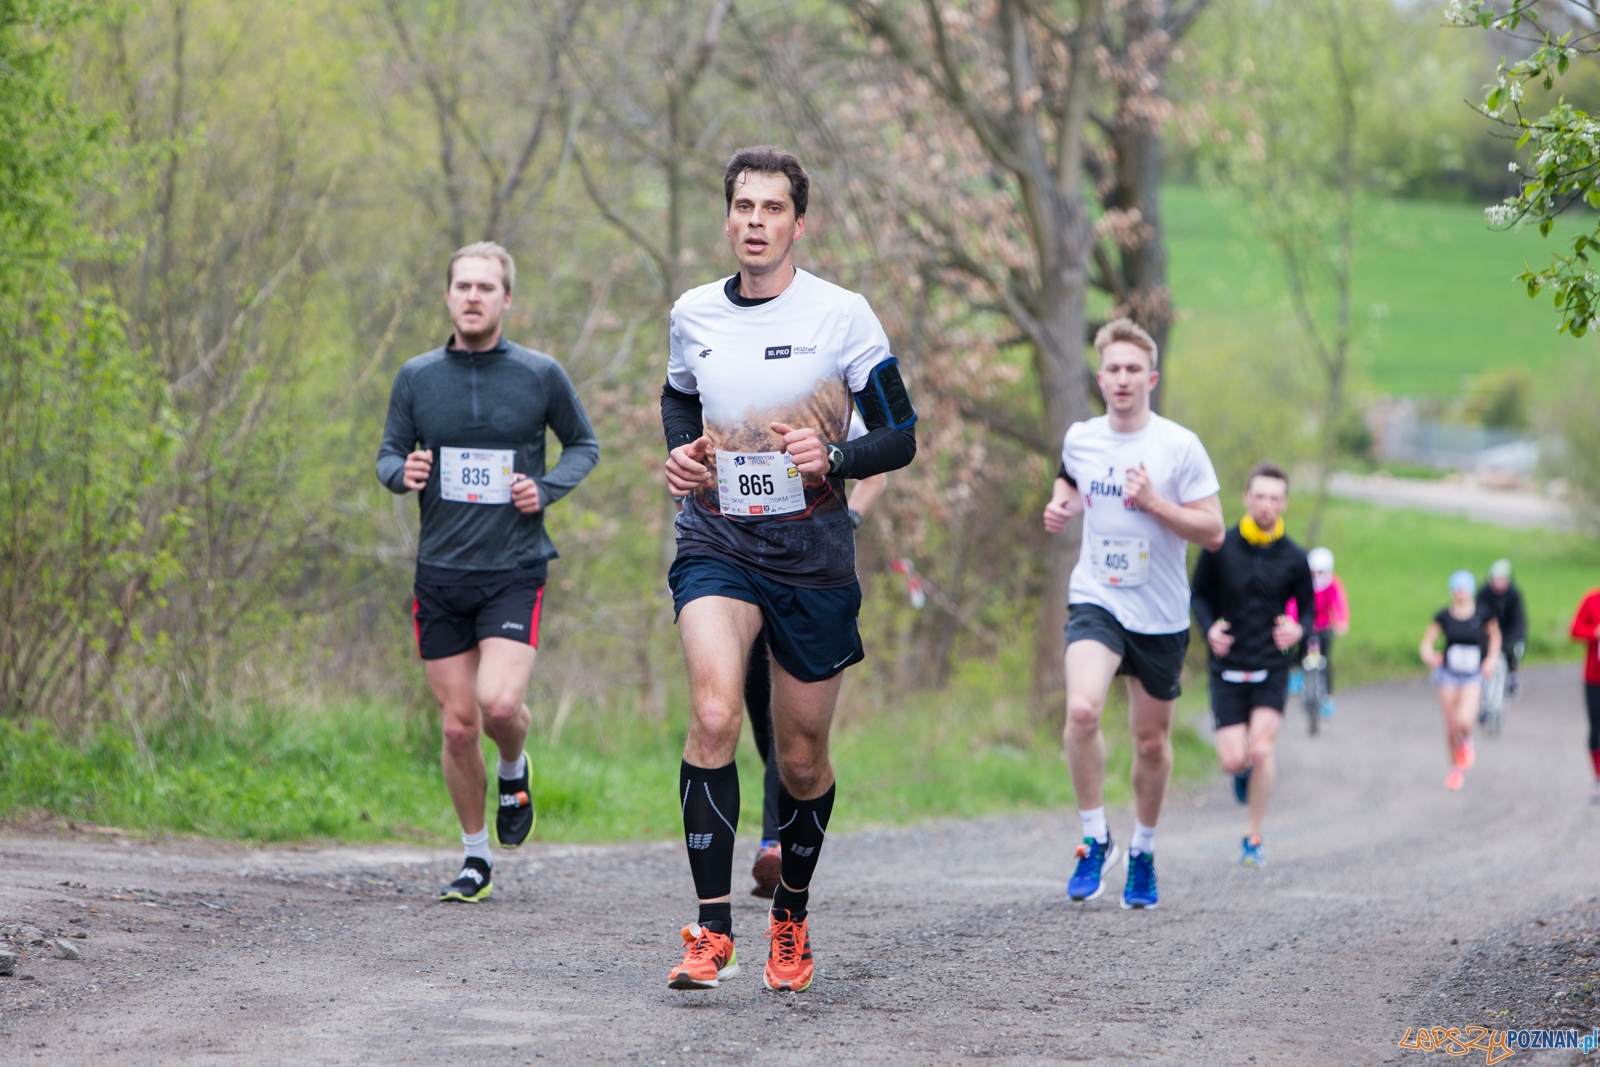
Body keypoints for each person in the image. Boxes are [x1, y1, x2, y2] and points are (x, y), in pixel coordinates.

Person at [658, 147, 917, 992]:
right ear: (727, 218)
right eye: (743, 207)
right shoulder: (693, 312)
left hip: (811, 551)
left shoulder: (842, 316)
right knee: (712, 710)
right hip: (717, 538)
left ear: (798, 223)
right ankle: (710, 928)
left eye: (773, 208)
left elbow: (900, 433)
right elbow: (677, 395)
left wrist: (835, 453)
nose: (756, 222)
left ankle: (791, 915)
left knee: (802, 759)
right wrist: (681, 452)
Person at [376, 242, 600, 903]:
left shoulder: (539, 374)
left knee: (500, 703)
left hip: (513, 566)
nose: (473, 296)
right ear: (448, 297)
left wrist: (548, 487)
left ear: (507, 300)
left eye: (486, 287)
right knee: (455, 724)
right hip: (440, 572)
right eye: (462, 286)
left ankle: (514, 764)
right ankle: (475, 858)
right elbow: (389, 455)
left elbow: (584, 444)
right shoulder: (417, 377)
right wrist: (402, 473)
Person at [1042, 319, 1224, 909]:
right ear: (1100, 378)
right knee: (1082, 708)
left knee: (1150, 743)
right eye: (1112, 370)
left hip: (1162, 611)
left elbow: (1214, 530)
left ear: (1151, 377)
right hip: (1098, 595)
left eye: (1131, 370)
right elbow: (1071, 476)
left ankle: (1143, 851)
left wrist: (1154, 504)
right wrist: (1061, 503)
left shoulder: (1179, 446)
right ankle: (1096, 838)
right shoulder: (1082, 438)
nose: (1122, 380)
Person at [748, 416, 886, 898]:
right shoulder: (738, 385)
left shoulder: (832, 388)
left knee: (782, 711)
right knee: (758, 710)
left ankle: (775, 843)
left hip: (809, 565)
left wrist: (849, 517)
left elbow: (876, 469)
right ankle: (787, 813)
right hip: (739, 558)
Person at [1190, 463, 1314, 868]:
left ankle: (1253, 837)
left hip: (1270, 666)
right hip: (1227, 667)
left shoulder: (1296, 557)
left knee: (1261, 750)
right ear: (1246, 498)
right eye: (1259, 496)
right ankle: (1241, 774)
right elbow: (1199, 597)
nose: (1266, 505)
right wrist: (1210, 631)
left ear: (1285, 503)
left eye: (1275, 498)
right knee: (1232, 760)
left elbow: (1310, 614)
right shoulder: (1219, 546)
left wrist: (1297, 631)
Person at [1419, 571, 1501, 792]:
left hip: (1473, 674)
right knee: (1451, 726)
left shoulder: (1483, 614)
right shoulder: (1444, 616)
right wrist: (1429, 656)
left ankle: (1466, 742)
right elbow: (1428, 641)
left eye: (1464, 588)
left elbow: (1495, 636)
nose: (1461, 593)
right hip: (1448, 674)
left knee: (1464, 721)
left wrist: (1491, 660)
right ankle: (1455, 769)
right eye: (1457, 588)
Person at [1286, 546, 1350, 718]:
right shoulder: (1303, 583)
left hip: (1323, 626)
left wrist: (1341, 621)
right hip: (1304, 625)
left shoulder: (1332, 584)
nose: (1317, 575)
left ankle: (1327, 698)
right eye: (1314, 571)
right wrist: (1292, 622)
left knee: (1324, 661)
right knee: (1297, 650)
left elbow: (1338, 603)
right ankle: (1296, 673)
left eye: (1320, 571)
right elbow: (1293, 603)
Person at [1477, 559, 1527, 696]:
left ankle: (1512, 674)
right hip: (1488, 630)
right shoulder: (1484, 593)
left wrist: (1518, 636)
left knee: (1512, 649)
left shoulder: (1513, 595)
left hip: (1507, 630)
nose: (1498, 584)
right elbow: (1478, 615)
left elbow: (1519, 618)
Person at [1569, 586, 1600, 804]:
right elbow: (1575, 630)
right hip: (1594, 677)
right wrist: (1594, 632)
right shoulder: (1592, 599)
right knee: (1596, 727)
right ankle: (1598, 777)